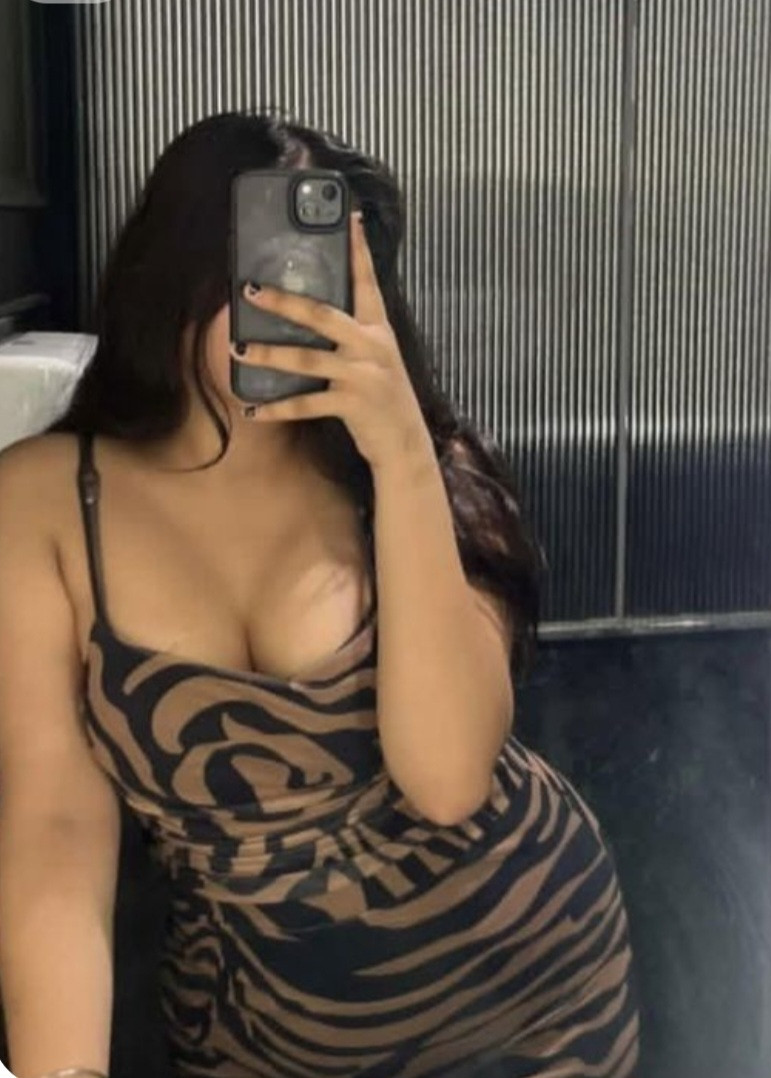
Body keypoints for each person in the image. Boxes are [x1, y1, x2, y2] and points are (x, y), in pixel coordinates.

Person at [0, 111, 640, 1078]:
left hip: (531, 991)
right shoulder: (45, 500)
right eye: (260, 268)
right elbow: (55, 825)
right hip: (263, 1030)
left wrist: (403, 455)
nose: (290, 303)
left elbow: (448, 780)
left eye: (320, 273)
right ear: (176, 273)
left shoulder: (424, 477)